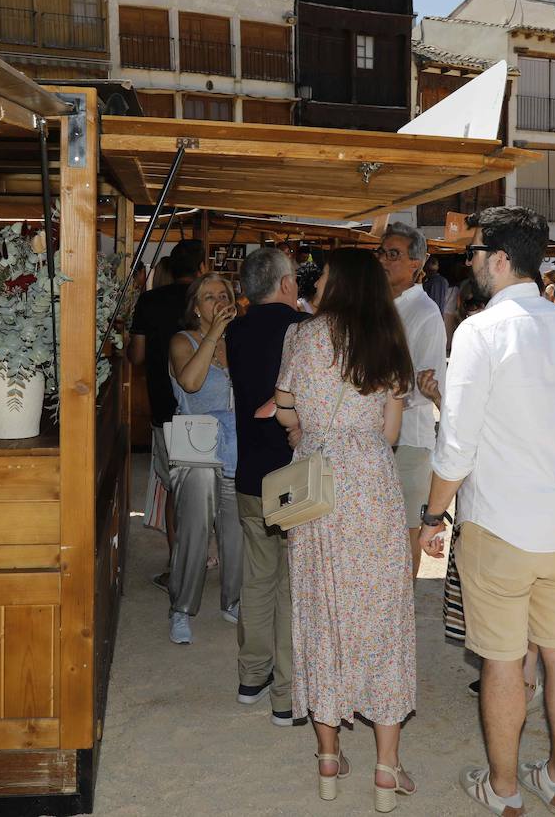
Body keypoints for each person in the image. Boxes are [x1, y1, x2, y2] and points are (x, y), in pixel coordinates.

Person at [418, 206, 555, 817]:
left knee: (503, 659)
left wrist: (430, 517)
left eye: (474, 253)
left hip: (499, 522)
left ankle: (504, 790)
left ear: (500, 259)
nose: (470, 263)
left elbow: (457, 443)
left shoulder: (480, 330)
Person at [273, 248, 417, 811]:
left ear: (340, 283)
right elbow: (390, 431)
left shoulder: (303, 338)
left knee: (321, 611)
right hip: (371, 486)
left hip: (316, 488)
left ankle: (329, 763)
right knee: (384, 615)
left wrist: (307, 431)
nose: (319, 281)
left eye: (325, 274)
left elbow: (285, 410)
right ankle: (386, 771)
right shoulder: (389, 338)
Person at [226, 248, 307, 723]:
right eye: (294, 278)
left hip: (250, 472)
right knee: (292, 585)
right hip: (292, 473)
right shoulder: (302, 331)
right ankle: (287, 693)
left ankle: (250, 677)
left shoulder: (236, 330)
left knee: (257, 580)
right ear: (284, 284)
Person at [164, 273, 243, 645]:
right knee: (195, 532)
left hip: (238, 446)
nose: (217, 301)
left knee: (237, 531)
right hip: (198, 447)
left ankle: (234, 601)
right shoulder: (184, 341)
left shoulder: (241, 341)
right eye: (209, 296)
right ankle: (181, 609)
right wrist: (213, 336)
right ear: (196, 307)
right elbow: (191, 384)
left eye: (223, 295)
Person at [130, 239, 208, 587]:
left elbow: (137, 356)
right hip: (209, 409)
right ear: (201, 269)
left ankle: (180, 565)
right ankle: (205, 555)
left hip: (166, 408)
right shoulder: (208, 304)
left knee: (178, 491)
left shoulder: (149, 301)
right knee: (211, 486)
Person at [376, 222, 447, 577]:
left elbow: (426, 385)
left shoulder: (425, 313)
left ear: (417, 263)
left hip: (409, 441)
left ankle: (402, 616)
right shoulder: (375, 306)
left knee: (406, 532)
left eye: (394, 254)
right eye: (382, 252)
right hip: (373, 437)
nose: (384, 260)